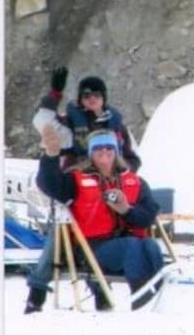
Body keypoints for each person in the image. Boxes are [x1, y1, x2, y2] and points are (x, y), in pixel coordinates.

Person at [24, 67, 142, 314]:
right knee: (59, 241)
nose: (91, 99)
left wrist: (119, 170)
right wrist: (54, 93)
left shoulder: (118, 125)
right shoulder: (69, 123)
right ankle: (35, 297)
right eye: (86, 95)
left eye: (96, 94)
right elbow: (42, 121)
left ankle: (103, 294)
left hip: (108, 191)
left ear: (103, 97)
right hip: (76, 190)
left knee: (102, 238)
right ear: (80, 99)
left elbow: (133, 159)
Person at [34, 128, 166, 311]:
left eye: (109, 147)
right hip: (90, 249)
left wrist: (126, 210)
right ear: (90, 153)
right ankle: (141, 302)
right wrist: (51, 156)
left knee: (150, 246)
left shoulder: (136, 182)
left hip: (127, 245)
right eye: (98, 149)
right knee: (133, 246)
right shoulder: (75, 180)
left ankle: (159, 299)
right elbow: (48, 184)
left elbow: (148, 217)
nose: (104, 152)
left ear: (116, 151)